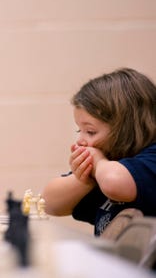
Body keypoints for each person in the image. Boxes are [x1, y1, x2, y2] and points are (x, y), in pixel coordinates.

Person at [42, 68, 156, 236]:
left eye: (90, 132)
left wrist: (98, 162)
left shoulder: (149, 158)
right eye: (78, 131)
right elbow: (49, 203)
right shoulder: (105, 165)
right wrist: (84, 179)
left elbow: (114, 182)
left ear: (124, 129)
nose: (81, 140)